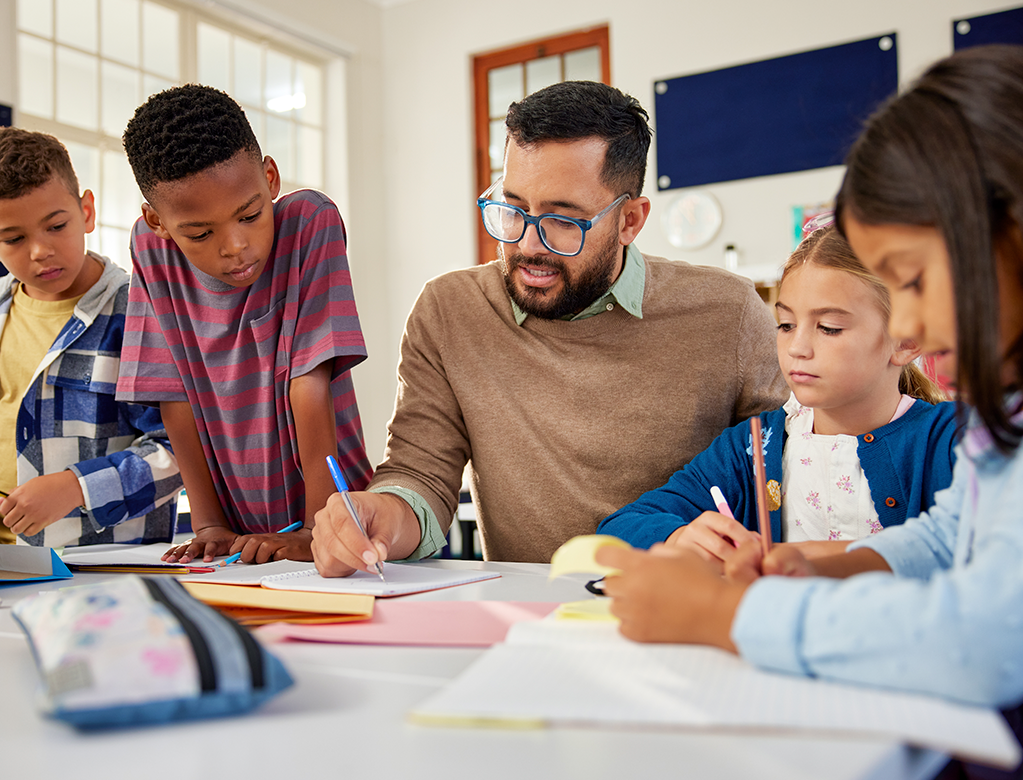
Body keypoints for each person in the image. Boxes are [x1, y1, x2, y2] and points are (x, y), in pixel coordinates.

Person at [600, 46, 1023, 721]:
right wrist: (817, 565)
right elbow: (951, 534)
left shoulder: (951, 427)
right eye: (788, 324)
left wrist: (727, 614)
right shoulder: (765, 443)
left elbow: (990, 641)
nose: (908, 324)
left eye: (912, 280)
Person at [312, 80, 788, 576]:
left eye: (563, 220)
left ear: (629, 221)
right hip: (529, 619)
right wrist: (380, 516)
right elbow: (420, 473)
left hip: (686, 605)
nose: (528, 245)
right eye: (513, 208)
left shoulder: (729, 314)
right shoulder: (450, 311)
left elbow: (792, 474)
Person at [597, 224, 958, 563]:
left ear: (907, 341)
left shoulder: (955, 439)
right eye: (785, 324)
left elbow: (982, 551)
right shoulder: (754, 446)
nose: (797, 347)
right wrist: (676, 537)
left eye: (829, 328)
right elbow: (620, 528)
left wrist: (809, 558)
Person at [117, 85, 372, 565]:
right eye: (199, 233)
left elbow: (309, 380)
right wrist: (209, 522)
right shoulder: (152, 252)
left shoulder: (308, 223)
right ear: (157, 222)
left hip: (342, 519)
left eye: (250, 215)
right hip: (240, 539)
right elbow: (173, 394)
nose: (235, 246)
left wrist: (321, 526)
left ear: (270, 178)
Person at [0, 127, 182, 547]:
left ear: (87, 211)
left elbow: (181, 453)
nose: (40, 250)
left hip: (98, 571)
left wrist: (77, 487)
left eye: (56, 226)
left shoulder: (140, 311)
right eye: (14, 238)